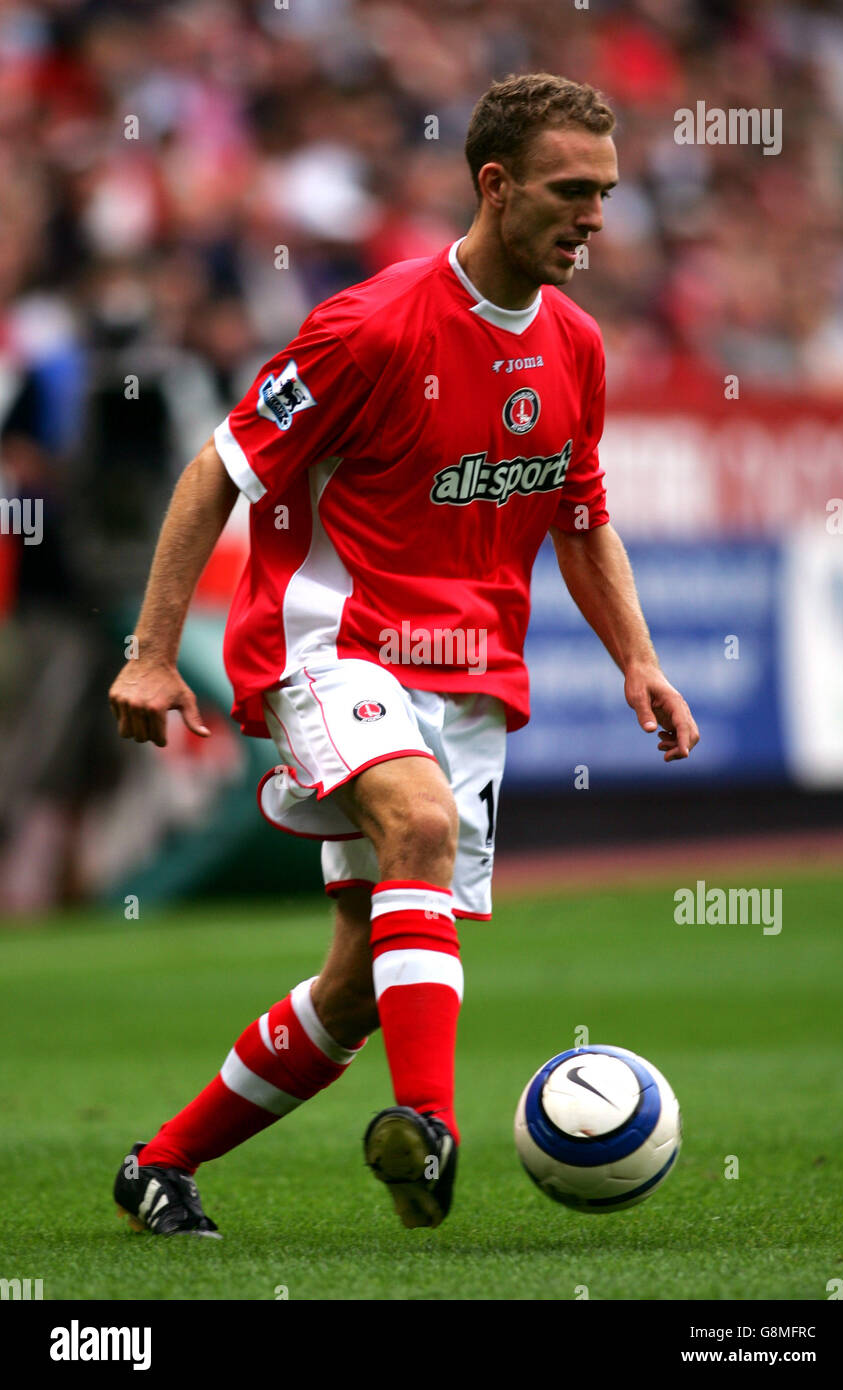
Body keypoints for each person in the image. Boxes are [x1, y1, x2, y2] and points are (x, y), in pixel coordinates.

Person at [108, 73, 699, 1238]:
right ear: (494, 183)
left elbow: (579, 515)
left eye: (607, 194)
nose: (594, 218)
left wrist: (635, 657)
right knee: (417, 823)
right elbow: (215, 470)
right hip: (334, 640)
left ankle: (156, 1167)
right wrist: (150, 651)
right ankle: (428, 1129)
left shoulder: (574, 348)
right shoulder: (369, 326)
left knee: (353, 984)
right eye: (569, 191)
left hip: (471, 680)